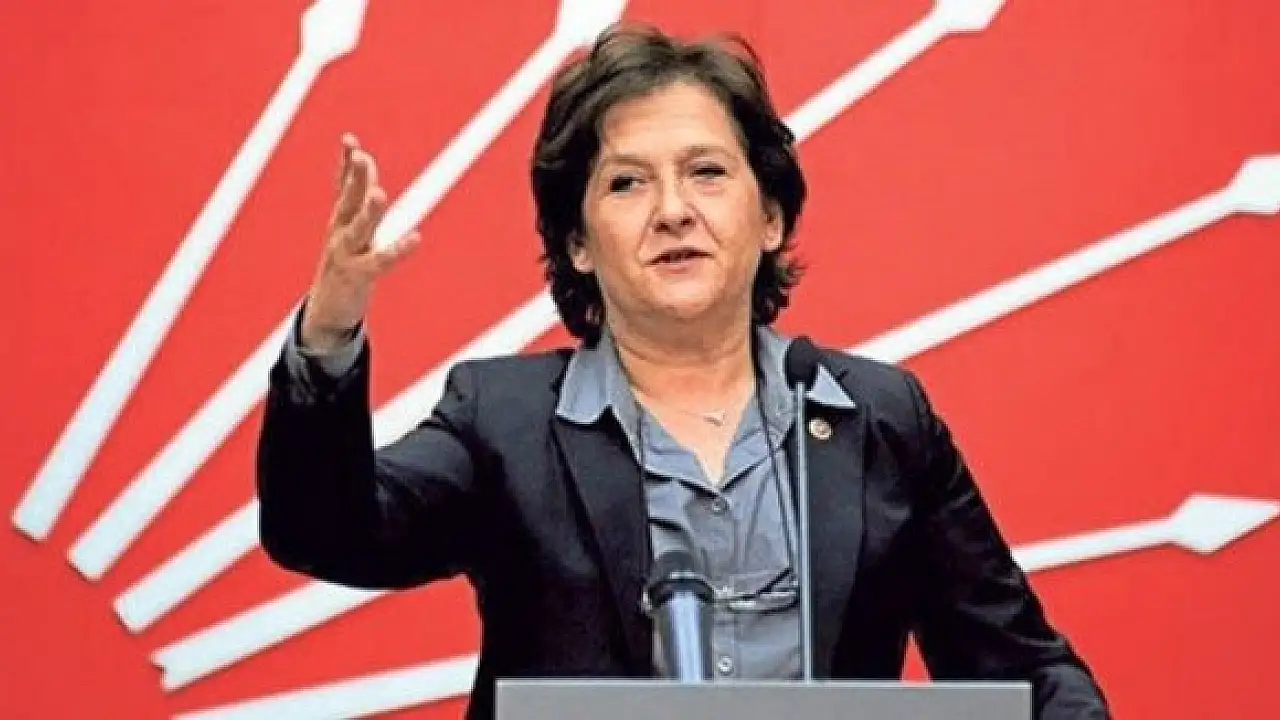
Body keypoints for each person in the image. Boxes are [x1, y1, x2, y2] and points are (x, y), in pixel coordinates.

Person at [257, 24, 1110, 720]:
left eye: (706, 172)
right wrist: (328, 333)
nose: (673, 211)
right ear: (579, 243)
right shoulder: (505, 422)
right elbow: (324, 531)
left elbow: (1026, 671)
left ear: (770, 217)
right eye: (627, 183)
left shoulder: (878, 420)